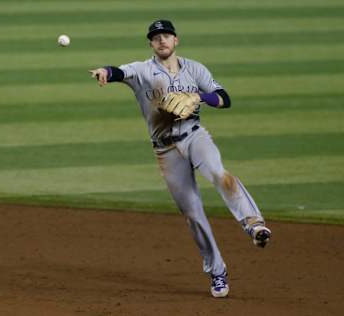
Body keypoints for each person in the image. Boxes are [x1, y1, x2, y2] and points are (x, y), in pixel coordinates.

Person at [88, 19, 271, 298]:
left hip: (195, 136)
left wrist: (198, 97)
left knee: (218, 173)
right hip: (165, 150)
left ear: (176, 40)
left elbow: (224, 98)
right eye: (156, 37)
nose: (162, 40)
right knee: (193, 214)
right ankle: (217, 272)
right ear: (150, 43)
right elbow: (117, 72)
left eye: (166, 36)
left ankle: (253, 223)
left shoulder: (195, 68)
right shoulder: (142, 71)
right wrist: (104, 71)